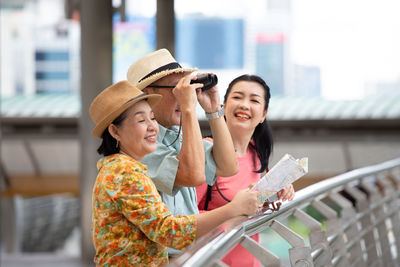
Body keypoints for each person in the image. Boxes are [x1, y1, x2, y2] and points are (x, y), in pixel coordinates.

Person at [89, 81, 259, 266]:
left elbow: (228, 166)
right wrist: (232, 209)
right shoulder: (123, 172)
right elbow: (168, 231)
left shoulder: (123, 167)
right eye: (141, 120)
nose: (152, 127)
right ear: (115, 131)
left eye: (152, 118)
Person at [126, 49, 238, 254]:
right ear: (147, 94)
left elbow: (228, 166)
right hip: (156, 258)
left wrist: (214, 110)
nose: (184, 94)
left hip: (185, 254)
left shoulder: (178, 133)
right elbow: (193, 176)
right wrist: (188, 109)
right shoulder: (136, 141)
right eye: (176, 89)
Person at [196, 74, 295, 267]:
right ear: (223, 105)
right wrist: (234, 213)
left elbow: (258, 213)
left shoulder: (256, 153)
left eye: (254, 100)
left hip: (250, 261)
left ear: (263, 114)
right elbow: (184, 220)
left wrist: (277, 196)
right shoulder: (205, 151)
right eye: (237, 97)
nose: (244, 105)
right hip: (213, 262)